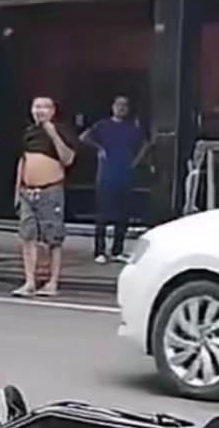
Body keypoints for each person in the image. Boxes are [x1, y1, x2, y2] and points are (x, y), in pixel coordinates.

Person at [14, 95, 76, 298]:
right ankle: (30, 281)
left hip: (50, 190)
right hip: (28, 191)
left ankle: (52, 281)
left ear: (52, 111)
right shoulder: (28, 132)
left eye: (44, 107)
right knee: (27, 235)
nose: (39, 111)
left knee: (53, 238)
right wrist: (18, 190)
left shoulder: (62, 130)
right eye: (36, 107)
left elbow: (68, 159)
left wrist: (53, 134)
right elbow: (23, 160)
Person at [81, 95, 149, 262]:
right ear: (112, 107)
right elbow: (83, 137)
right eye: (118, 105)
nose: (121, 108)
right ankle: (99, 251)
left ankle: (117, 250)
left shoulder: (132, 128)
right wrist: (99, 148)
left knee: (123, 215)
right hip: (106, 175)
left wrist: (135, 162)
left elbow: (146, 144)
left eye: (125, 105)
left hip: (125, 174)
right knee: (102, 214)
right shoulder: (103, 125)